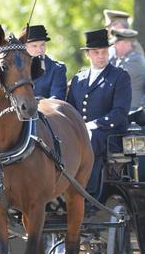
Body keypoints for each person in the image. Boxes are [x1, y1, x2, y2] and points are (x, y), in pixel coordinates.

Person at [67, 28, 132, 203]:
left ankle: (88, 194)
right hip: (81, 132)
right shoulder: (78, 79)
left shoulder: (119, 77)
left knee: (91, 138)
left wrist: (93, 125)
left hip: (108, 134)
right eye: (96, 52)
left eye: (104, 52)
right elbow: (70, 110)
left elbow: (120, 113)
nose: (101, 56)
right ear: (88, 54)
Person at [25, 25, 67, 100]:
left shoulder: (57, 69)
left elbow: (57, 98)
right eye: (34, 46)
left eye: (42, 45)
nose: (40, 49)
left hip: (45, 110)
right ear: (25, 47)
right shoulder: (18, 69)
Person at [110, 28, 145, 110]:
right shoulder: (123, 58)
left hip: (133, 112)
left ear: (127, 43)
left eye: (117, 43)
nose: (114, 46)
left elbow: (113, 77)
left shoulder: (135, 60)